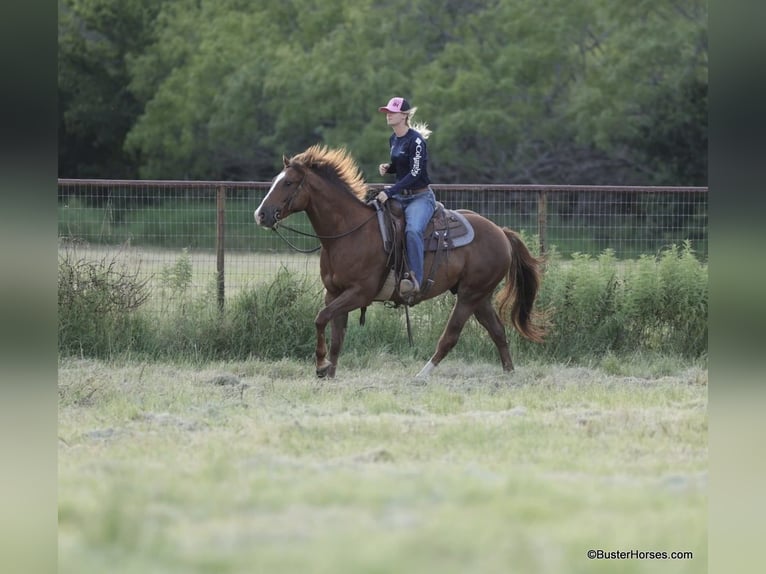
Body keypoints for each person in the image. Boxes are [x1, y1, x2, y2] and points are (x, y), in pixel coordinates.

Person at [376, 96, 437, 299]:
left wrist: (390, 191)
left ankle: (414, 281)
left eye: (392, 112)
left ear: (404, 116)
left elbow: (415, 174)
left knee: (412, 231)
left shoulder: (416, 141)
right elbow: (403, 165)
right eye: (387, 112)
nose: (388, 115)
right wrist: (389, 167)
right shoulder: (393, 138)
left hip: (420, 198)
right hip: (401, 195)